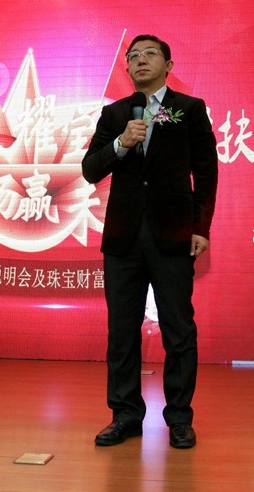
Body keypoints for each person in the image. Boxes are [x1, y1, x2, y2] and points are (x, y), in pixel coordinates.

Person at [82, 34, 218, 449]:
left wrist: (200, 227)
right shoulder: (115, 114)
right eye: (133, 56)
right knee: (122, 331)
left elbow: (206, 172)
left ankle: (179, 418)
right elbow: (90, 169)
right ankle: (125, 416)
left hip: (173, 234)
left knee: (178, 330)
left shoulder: (189, 109)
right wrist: (121, 144)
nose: (140, 60)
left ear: (168, 65)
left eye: (150, 54)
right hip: (123, 238)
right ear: (127, 68)